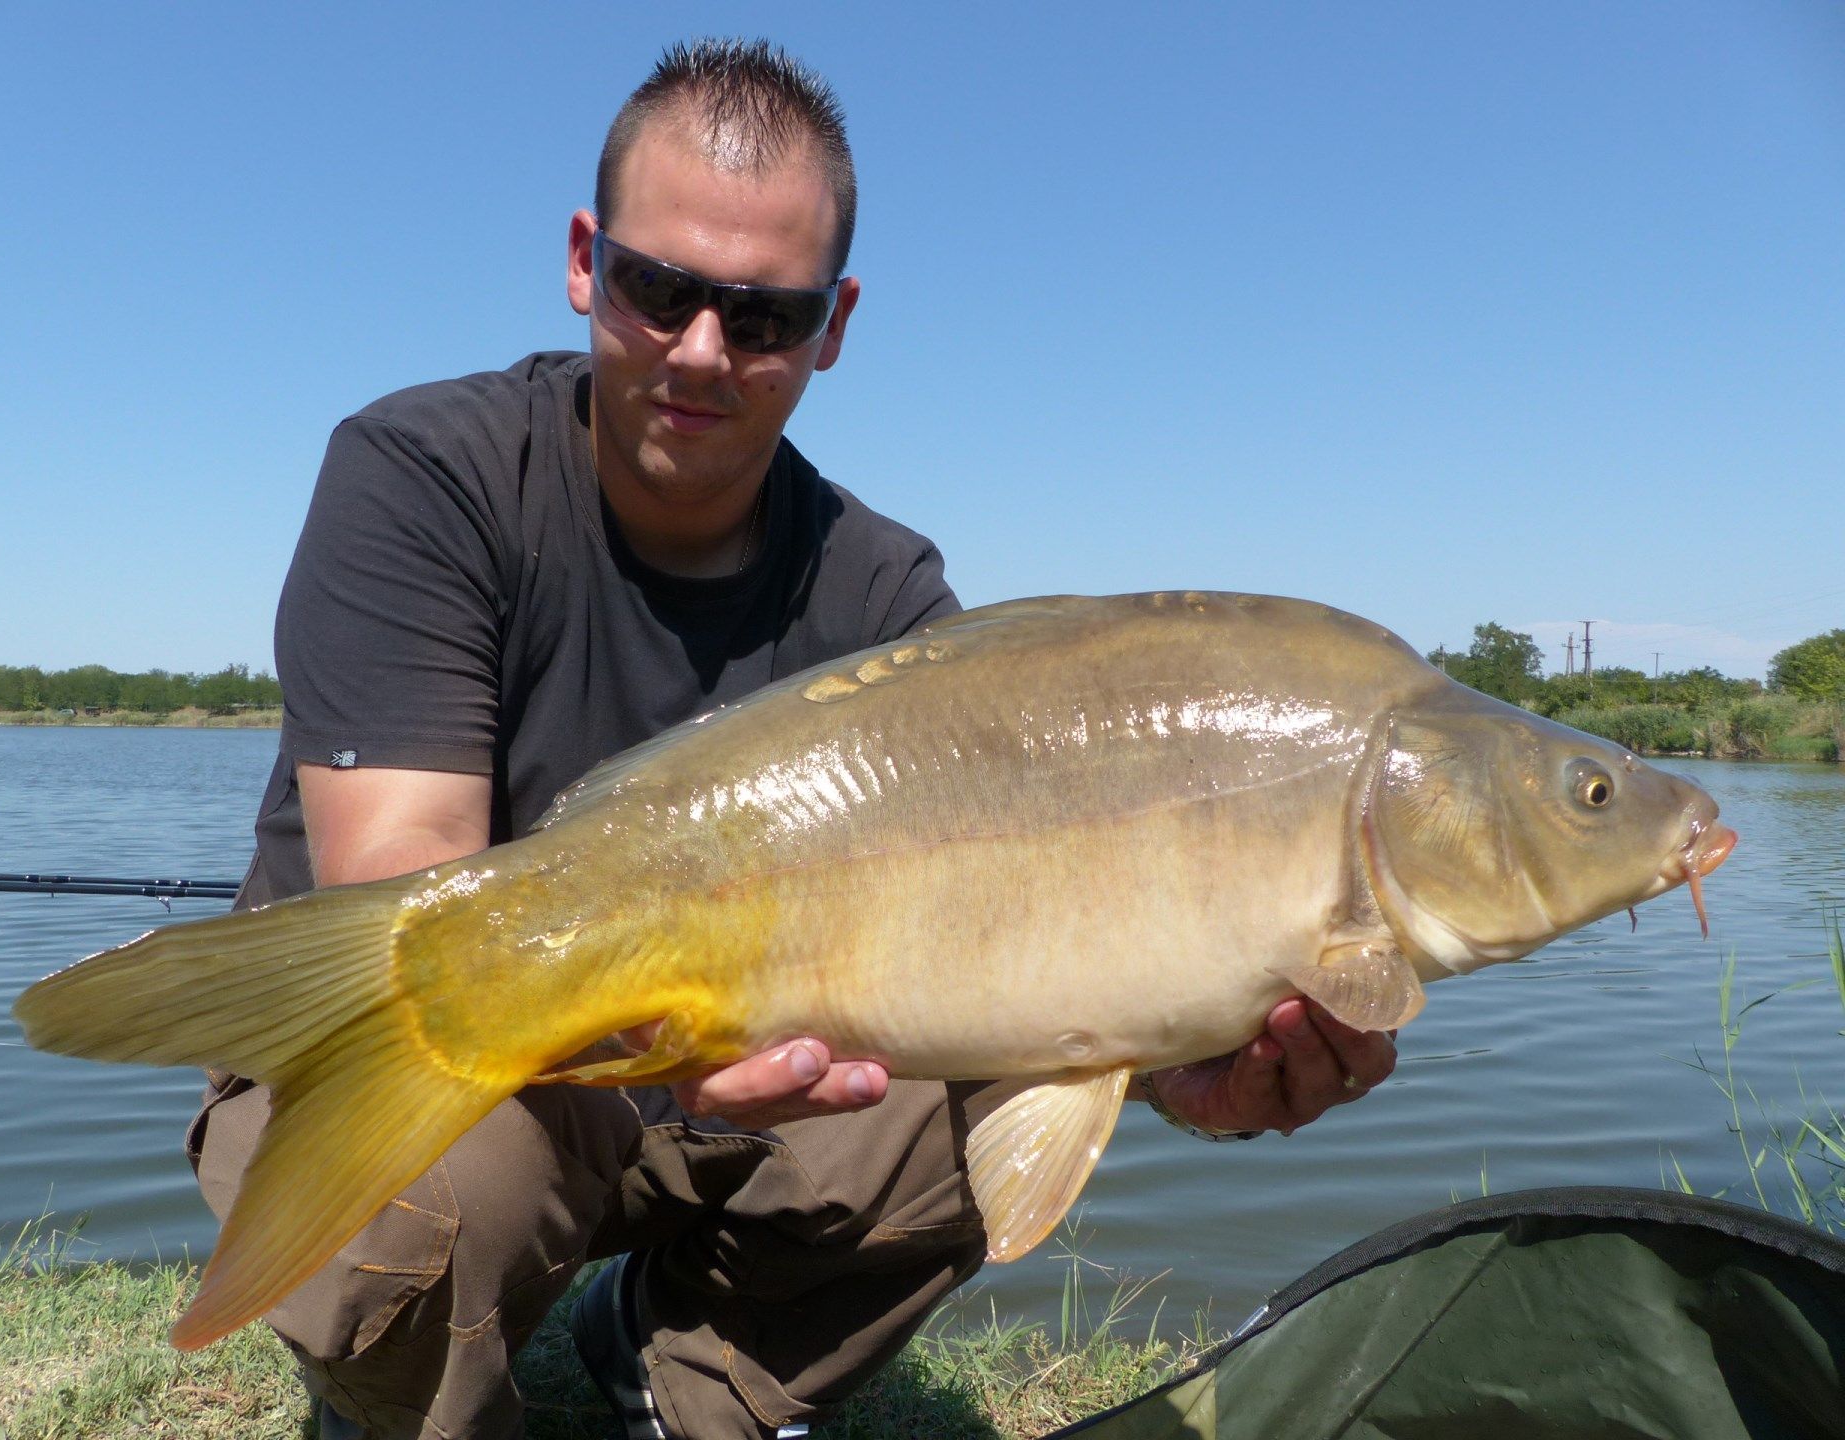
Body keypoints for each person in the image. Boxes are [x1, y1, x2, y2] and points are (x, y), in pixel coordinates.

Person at [187, 38, 1398, 1440]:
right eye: (659, 289)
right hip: (482, 1053)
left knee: (944, 1130)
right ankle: (415, 1393)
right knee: (419, 1194)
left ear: (833, 324)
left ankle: (687, 1377)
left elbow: (1021, 967)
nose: (702, 350)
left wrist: (1181, 1060)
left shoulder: (887, 600)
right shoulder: (426, 475)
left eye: (763, 317)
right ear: (587, 261)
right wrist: (652, 1030)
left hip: (739, 1088)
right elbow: (394, 875)